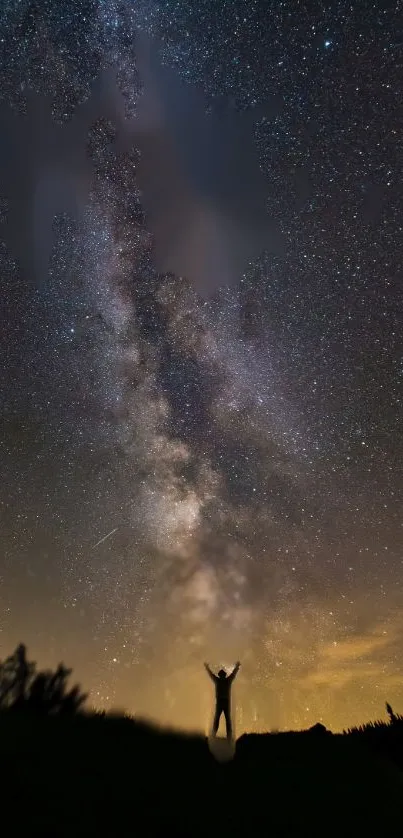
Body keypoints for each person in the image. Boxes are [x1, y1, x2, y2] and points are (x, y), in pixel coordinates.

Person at [204, 661, 240, 739]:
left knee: (223, 719)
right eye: (222, 675)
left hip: (223, 702)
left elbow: (211, 675)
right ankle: (220, 735)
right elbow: (233, 674)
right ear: (221, 675)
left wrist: (237, 667)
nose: (222, 676)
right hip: (223, 702)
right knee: (222, 719)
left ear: (221, 675)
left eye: (222, 675)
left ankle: (225, 736)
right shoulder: (225, 681)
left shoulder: (222, 681)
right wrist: (237, 667)